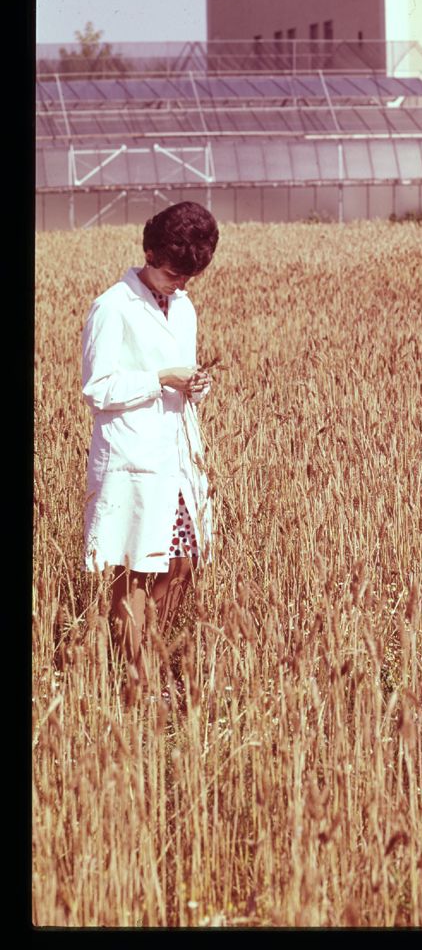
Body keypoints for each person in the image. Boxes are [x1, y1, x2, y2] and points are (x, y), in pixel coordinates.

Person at [81, 202, 219, 698]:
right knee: (138, 570)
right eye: (171, 273)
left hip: (178, 456)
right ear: (148, 252)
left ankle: (151, 659)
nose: (178, 284)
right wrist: (160, 378)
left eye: (188, 277)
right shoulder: (112, 307)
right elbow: (97, 390)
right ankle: (138, 681)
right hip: (133, 460)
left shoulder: (183, 307)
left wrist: (194, 384)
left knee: (181, 564)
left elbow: (182, 376)